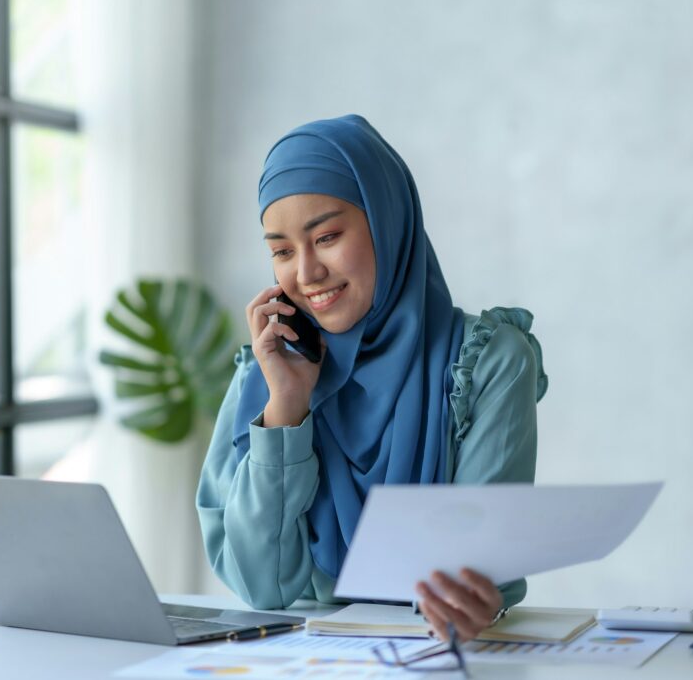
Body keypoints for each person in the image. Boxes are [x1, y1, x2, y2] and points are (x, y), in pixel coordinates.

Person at [196, 114, 548, 642]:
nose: (307, 272)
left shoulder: (487, 361)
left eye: (328, 235)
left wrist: (476, 603)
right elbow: (260, 585)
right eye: (282, 251)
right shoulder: (266, 374)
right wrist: (287, 408)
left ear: (387, 222)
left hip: (443, 657)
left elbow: (478, 574)